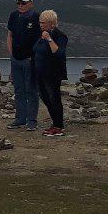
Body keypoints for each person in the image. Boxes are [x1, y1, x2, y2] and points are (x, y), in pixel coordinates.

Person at [5, 0, 41, 131]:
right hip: (16, 60)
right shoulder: (13, 16)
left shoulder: (36, 17)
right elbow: (9, 35)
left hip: (29, 60)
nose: (20, 5)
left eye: (23, 3)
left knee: (31, 90)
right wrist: (11, 54)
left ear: (30, 4)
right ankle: (20, 118)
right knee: (19, 90)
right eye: (18, 3)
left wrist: (35, 57)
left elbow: (41, 39)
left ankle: (32, 121)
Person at [34, 9, 70, 137]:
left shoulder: (60, 36)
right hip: (40, 72)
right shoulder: (41, 34)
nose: (41, 25)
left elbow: (59, 53)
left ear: (52, 23)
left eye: (44, 22)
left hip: (53, 73)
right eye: (40, 22)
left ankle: (59, 126)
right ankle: (55, 122)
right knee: (45, 97)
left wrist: (49, 39)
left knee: (54, 98)